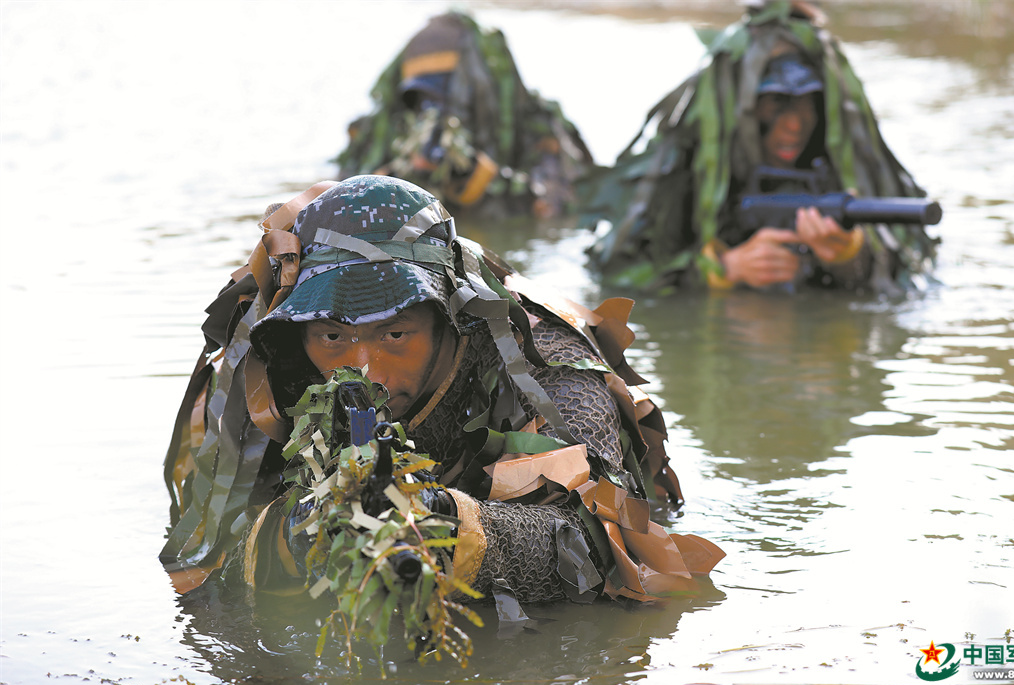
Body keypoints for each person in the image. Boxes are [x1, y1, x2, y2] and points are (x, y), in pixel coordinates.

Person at [160, 175, 724, 614]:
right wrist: (293, 533)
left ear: (452, 321)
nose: (366, 371)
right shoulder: (267, 364)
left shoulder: (547, 365)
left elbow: (600, 543)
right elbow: (203, 543)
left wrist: (443, 524)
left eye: (395, 335)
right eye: (333, 337)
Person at [578, 0, 939, 295]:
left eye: (807, 104)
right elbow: (613, 273)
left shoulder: (838, 169)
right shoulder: (690, 170)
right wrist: (722, 269)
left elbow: (909, 273)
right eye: (776, 103)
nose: (794, 124)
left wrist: (847, 256)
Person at [335, 11, 594, 220]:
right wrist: (394, 179)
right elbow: (342, 197)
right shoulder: (380, 135)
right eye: (419, 99)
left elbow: (557, 204)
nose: (433, 113)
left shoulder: (541, 133)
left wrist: (477, 175)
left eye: (450, 99)